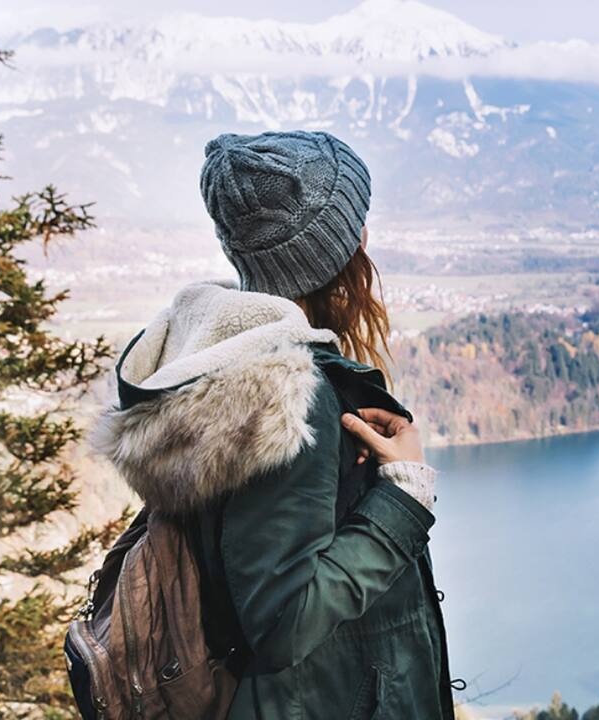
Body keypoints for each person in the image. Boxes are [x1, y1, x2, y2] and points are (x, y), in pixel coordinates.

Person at [92, 131, 455, 719]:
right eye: (357, 222)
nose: (366, 237)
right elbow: (285, 621)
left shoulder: (216, 363)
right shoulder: (286, 397)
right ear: (335, 253)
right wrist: (403, 499)